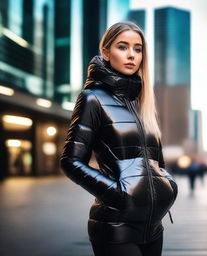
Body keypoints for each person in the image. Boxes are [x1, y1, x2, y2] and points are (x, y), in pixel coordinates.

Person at [60, 21, 178, 256]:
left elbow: (158, 161)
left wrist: (168, 185)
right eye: (123, 47)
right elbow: (70, 161)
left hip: (154, 227)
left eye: (138, 49)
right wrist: (119, 194)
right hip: (115, 226)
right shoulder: (92, 99)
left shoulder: (144, 103)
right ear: (106, 52)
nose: (131, 55)